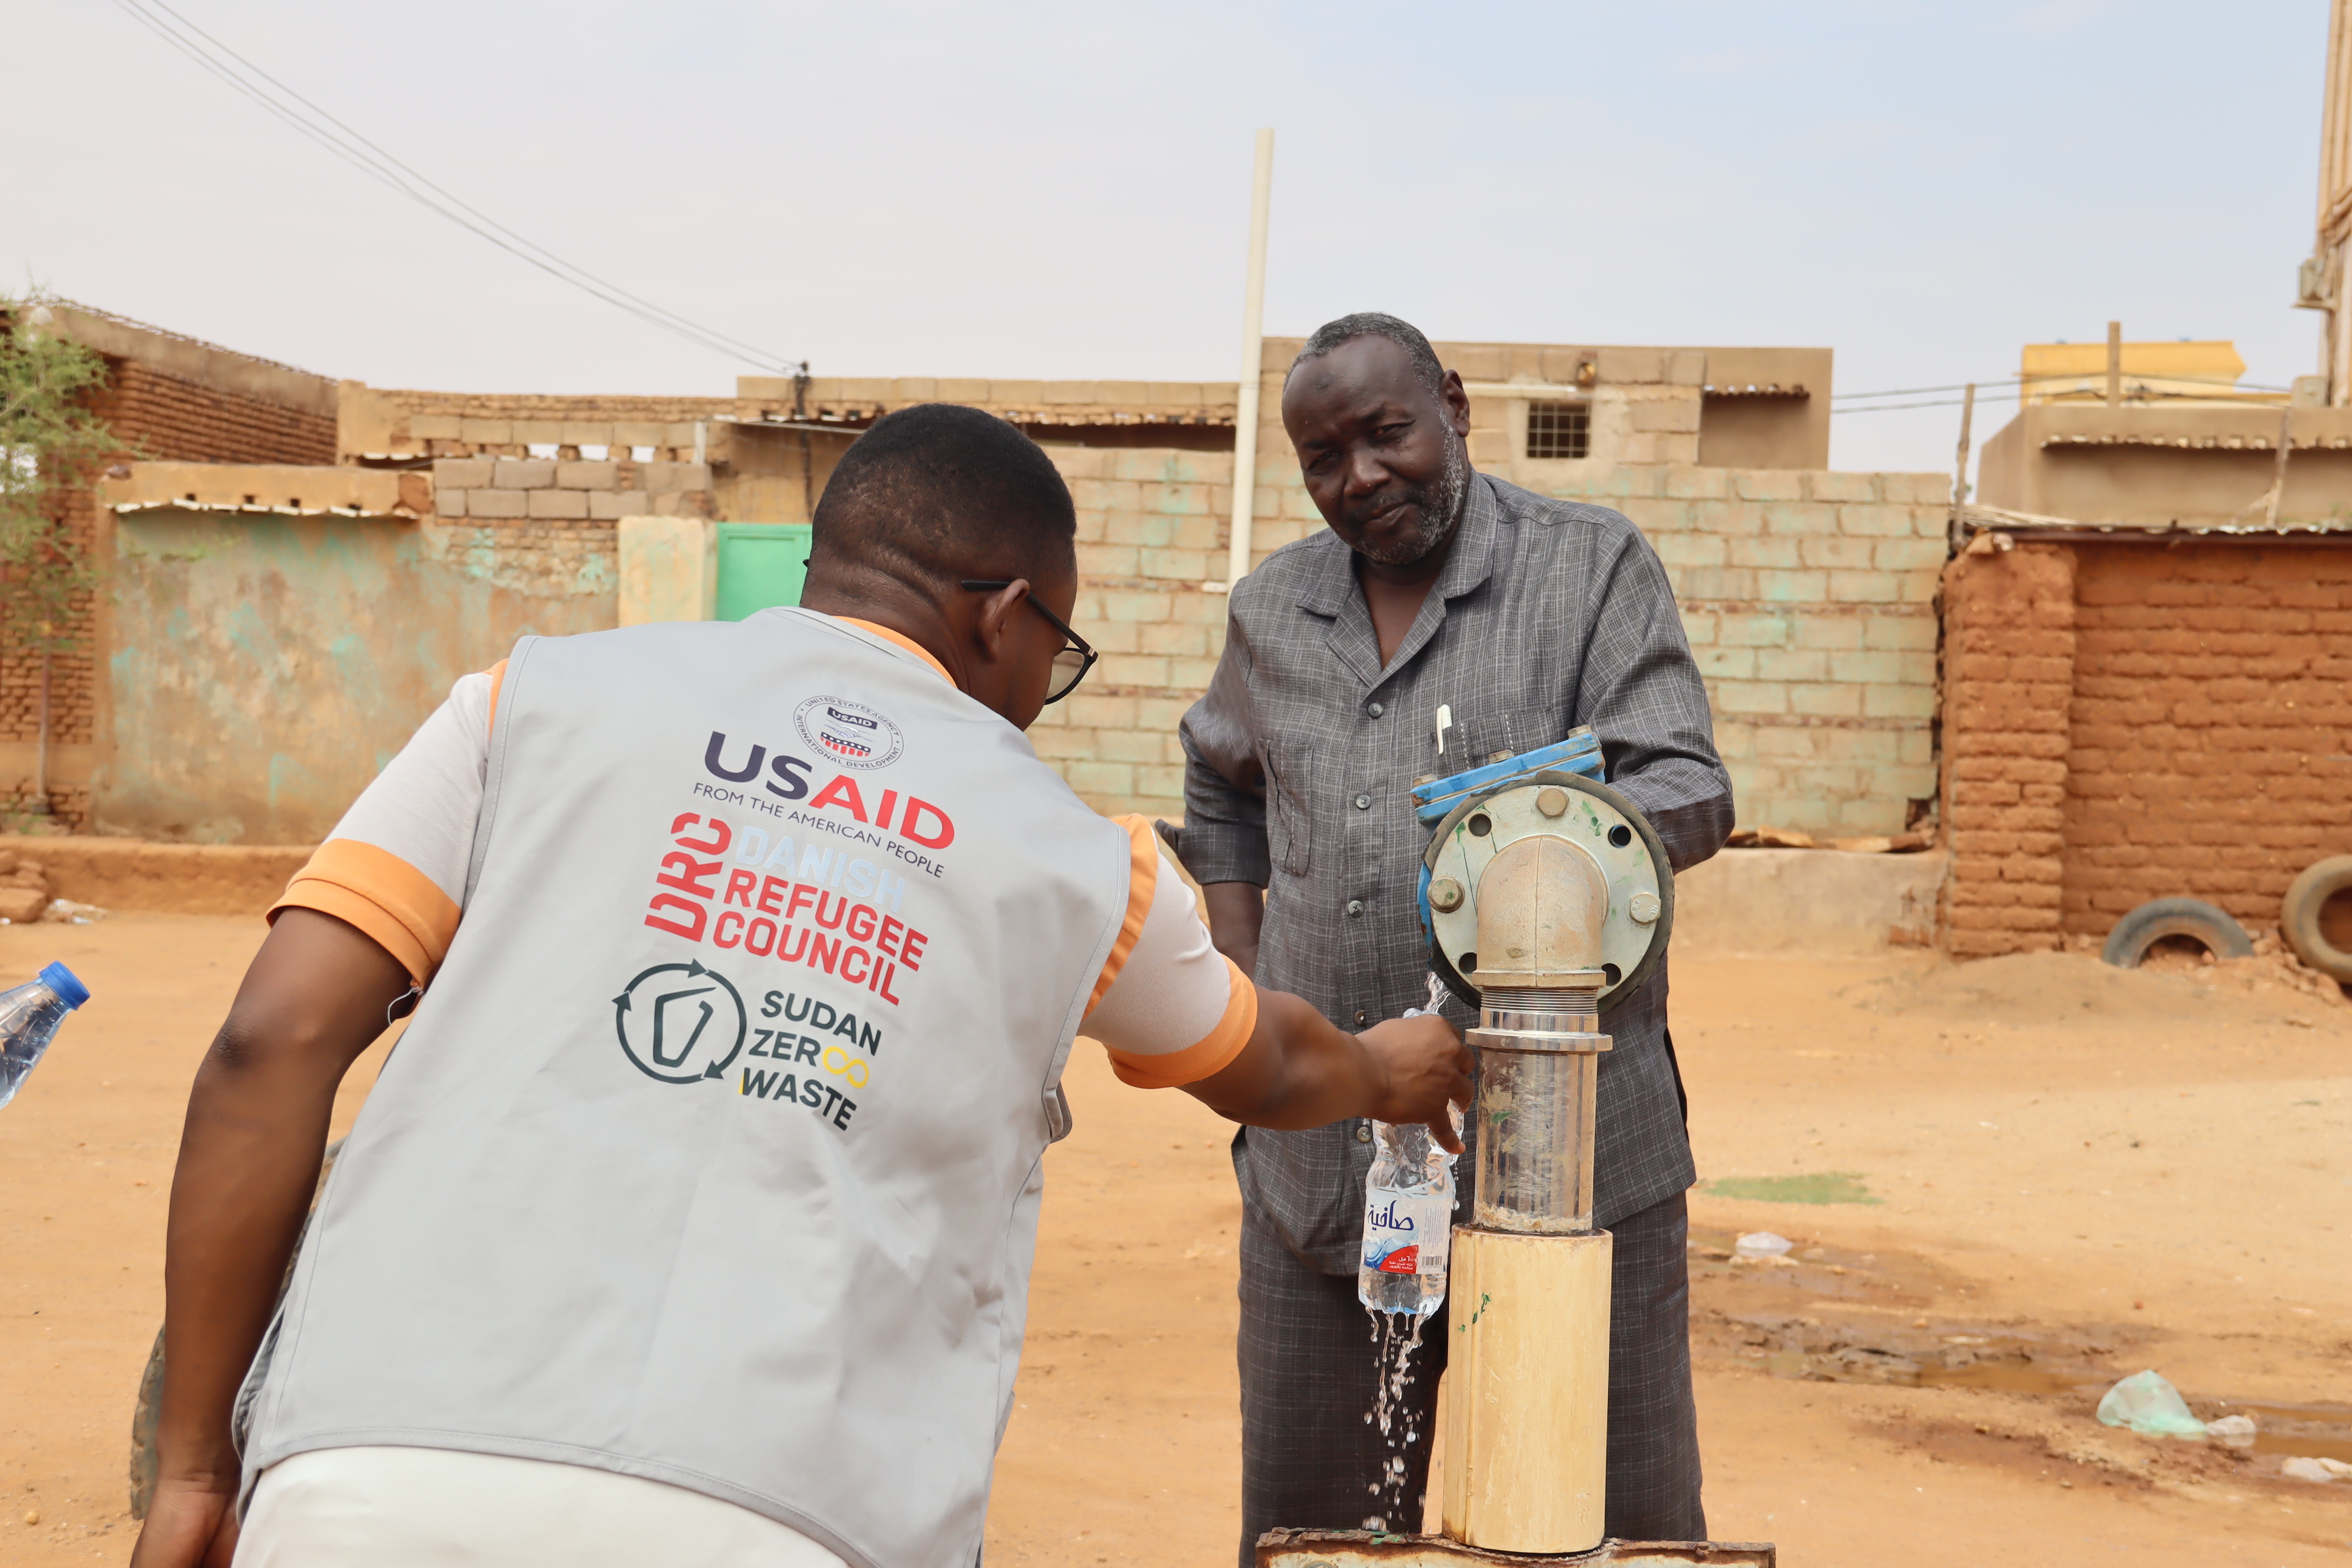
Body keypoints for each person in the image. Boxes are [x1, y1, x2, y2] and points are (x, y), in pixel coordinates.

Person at [131, 403, 1471, 1568]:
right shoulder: (1078, 862)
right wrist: (1386, 1068)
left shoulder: (525, 703)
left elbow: (271, 1040)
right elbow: (1269, 1064)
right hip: (795, 1508)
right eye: (1056, 654)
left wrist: (195, 1467)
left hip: (377, 1466)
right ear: (1004, 614)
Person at [1172, 313, 1734, 1559]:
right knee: (1323, 1535)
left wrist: (1537, 845)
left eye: (1389, 434)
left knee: (1603, 1530)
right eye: (1325, 458)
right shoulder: (1273, 610)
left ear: (1456, 407)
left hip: (1579, 1175)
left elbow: (1691, 786)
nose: (1362, 476)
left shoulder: (1589, 568)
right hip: (1327, 1174)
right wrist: (1244, 975)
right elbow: (1218, 780)